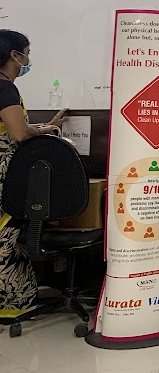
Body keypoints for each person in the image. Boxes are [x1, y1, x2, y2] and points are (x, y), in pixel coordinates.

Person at [0, 30, 65, 315]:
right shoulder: (5, 88)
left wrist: (44, 127)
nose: (28, 60)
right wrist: (40, 131)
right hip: (4, 175)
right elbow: (17, 133)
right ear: (14, 55)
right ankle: (13, 305)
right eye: (27, 53)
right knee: (6, 239)